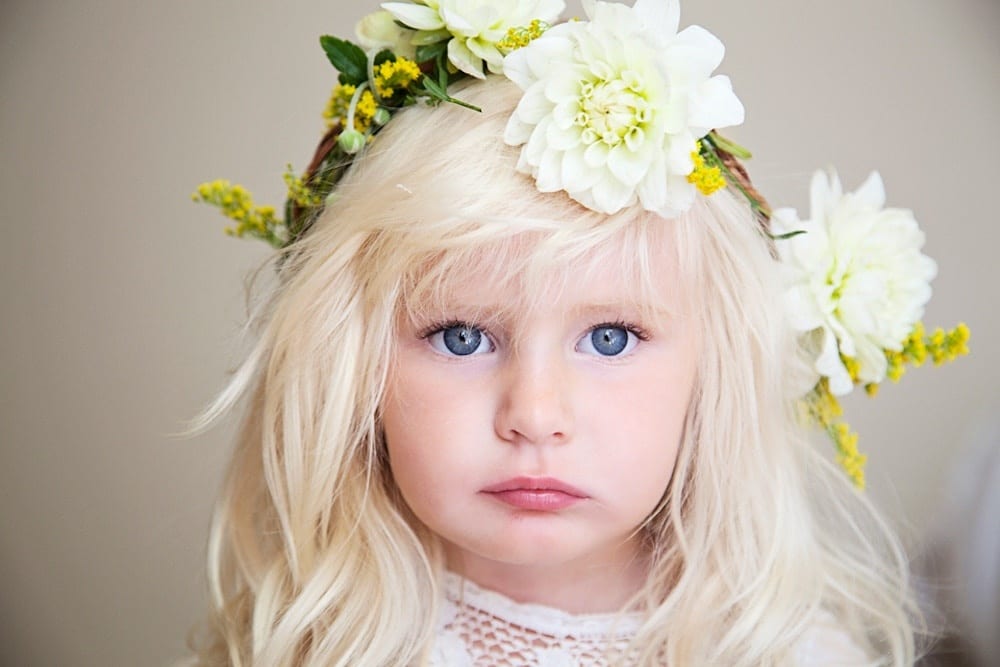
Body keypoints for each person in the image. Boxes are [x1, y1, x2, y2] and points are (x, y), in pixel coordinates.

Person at [190, 0, 967, 664]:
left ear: (712, 366)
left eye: (610, 339)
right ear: (354, 366)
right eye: (462, 336)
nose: (535, 412)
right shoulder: (305, 643)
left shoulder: (791, 652)